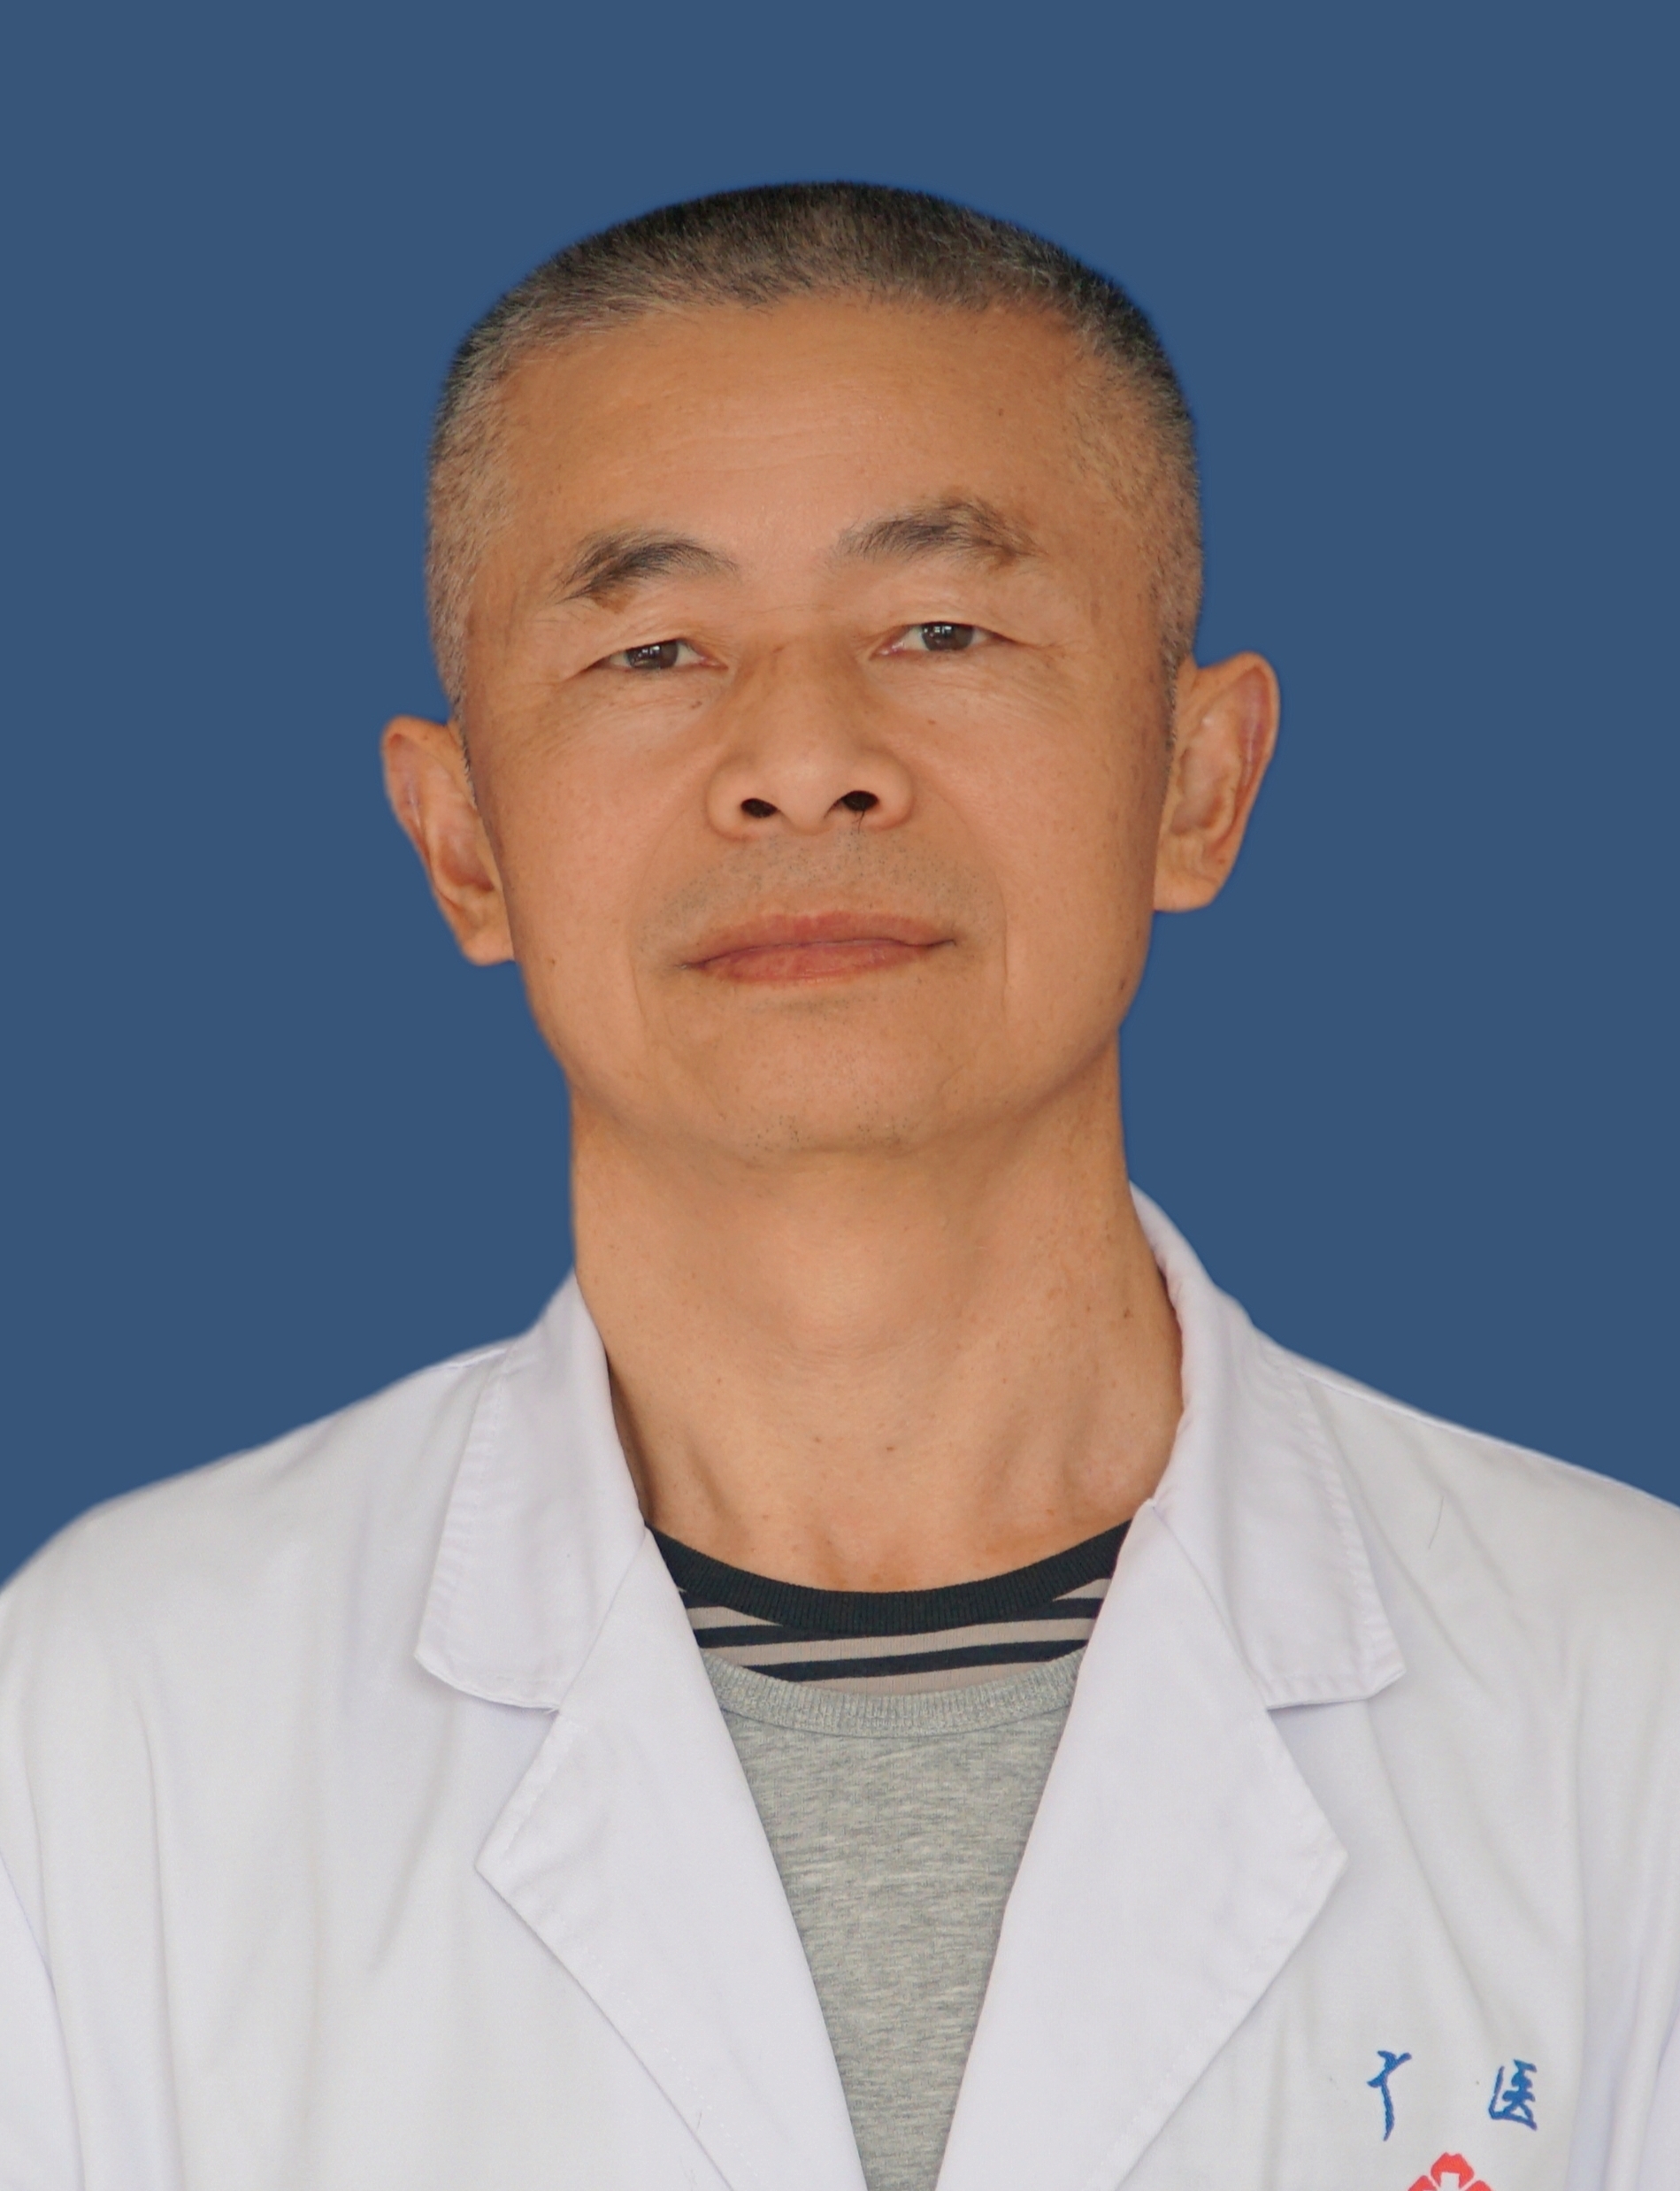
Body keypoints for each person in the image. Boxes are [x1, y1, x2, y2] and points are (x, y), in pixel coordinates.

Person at [1, 183, 1676, 2191]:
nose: (802, 759)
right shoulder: (108, 1718)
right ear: (460, 842)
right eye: (653, 648)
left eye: (941, 629)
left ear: (1196, 781)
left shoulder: (1629, 1700)